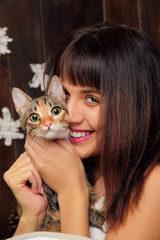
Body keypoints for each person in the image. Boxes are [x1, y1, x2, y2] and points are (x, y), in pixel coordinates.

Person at [4, 21, 160, 240]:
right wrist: (32, 213)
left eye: (91, 98)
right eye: (64, 96)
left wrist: (71, 190)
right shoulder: (74, 169)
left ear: (134, 106)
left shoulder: (154, 183)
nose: (71, 115)